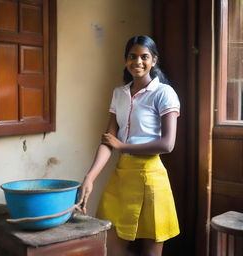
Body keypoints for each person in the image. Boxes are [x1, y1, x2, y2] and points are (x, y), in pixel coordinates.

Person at [77, 35, 180, 256]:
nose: (138, 62)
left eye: (145, 57)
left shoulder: (164, 93)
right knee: (113, 248)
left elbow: (167, 144)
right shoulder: (119, 93)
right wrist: (90, 177)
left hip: (151, 177)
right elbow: (108, 141)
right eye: (132, 56)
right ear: (126, 60)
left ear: (154, 60)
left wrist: (122, 147)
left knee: (152, 252)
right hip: (122, 177)